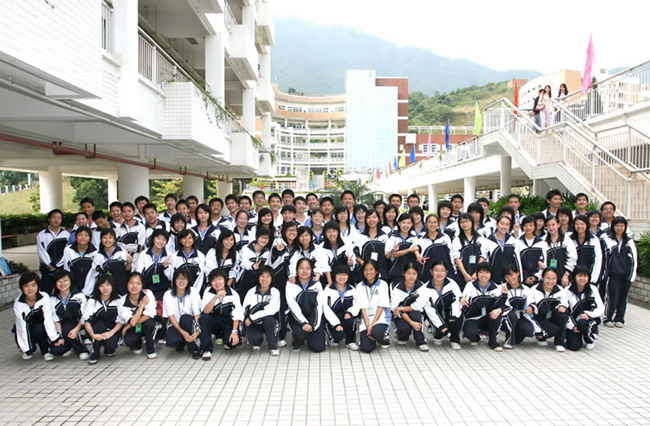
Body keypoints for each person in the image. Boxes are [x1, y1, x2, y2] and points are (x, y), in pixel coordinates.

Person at [286, 258, 340, 353]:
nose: (304, 271)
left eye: (308, 268)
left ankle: (314, 336)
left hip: (314, 317)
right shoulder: (291, 284)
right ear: (297, 270)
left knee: (318, 348)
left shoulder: (317, 284)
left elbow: (319, 306)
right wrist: (303, 323)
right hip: (297, 319)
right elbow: (292, 306)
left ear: (312, 270)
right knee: (300, 334)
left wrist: (312, 324)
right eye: (301, 268)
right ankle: (297, 342)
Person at [415, 260, 463, 350]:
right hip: (435, 315)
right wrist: (441, 325)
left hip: (450, 313)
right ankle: (438, 335)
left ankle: (454, 340)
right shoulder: (425, 289)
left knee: (458, 317)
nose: (439, 273)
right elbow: (429, 310)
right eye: (436, 270)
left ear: (446, 272)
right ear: (431, 271)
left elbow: (457, 299)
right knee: (440, 331)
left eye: (442, 270)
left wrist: (453, 315)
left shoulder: (452, 283)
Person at [13, 272, 61, 361]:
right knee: (17, 329)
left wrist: (55, 338)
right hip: (28, 326)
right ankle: (29, 348)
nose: (30, 289)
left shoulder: (44, 297)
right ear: (22, 287)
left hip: (41, 326)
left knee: (38, 328)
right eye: (26, 286)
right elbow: (21, 325)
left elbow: (48, 318)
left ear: (38, 285)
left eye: (33, 285)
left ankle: (45, 350)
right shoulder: (18, 303)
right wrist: (26, 348)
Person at [460, 262, 507, 351]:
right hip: (473, 318)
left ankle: (493, 341)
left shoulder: (497, 288)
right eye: (481, 272)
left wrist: (503, 300)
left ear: (491, 274)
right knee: (470, 333)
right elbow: (464, 299)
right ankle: (476, 337)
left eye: (487, 272)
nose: (484, 275)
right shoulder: (470, 285)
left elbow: (505, 306)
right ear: (477, 273)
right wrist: (462, 300)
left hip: (489, 317)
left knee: (497, 315)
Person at [198, 269, 244, 359]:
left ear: (224, 280)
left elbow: (237, 315)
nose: (217, 283)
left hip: (227, 322)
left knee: (232, 343)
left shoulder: (233, 294)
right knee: (204, 318)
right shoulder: (208, 291)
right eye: (214, 280)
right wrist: (216, 297)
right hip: (214, 321)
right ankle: (206, 349)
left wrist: (234, 332)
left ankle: (225, 338)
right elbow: (206, 311)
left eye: (220, 279)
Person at [601, 217, 637, 328]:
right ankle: (608, 318)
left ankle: (619, 318)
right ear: (613, 227)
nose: (619, 228)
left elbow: (634, 259)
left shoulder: (629, 242)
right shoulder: (608, 239)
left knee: (623, 297)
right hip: (613, 274)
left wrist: (631, 276)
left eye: (622, 225)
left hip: (626, 275)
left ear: (625, 227)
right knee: (612, 296)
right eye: (617, 225)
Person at [82, 275, 123, 365]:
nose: (105, 288)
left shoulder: (118, 299)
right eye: (102, 286)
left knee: (111, 344)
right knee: (99, 326)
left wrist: (110, 333)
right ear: (98, 287)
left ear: (112, 286)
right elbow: (86, 320)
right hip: (96, 330)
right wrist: (93, 335)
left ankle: (109, 349)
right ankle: (95, 353)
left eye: (108, 285)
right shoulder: (92, 300)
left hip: (113, 330)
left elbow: (121, 320)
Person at [49, 270, 90, 360]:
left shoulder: (79, 296)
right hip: (63, 328)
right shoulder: (53, 299)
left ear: (71, 281)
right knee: (56, 350)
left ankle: (82, 350)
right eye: (59, 281)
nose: (62, 284)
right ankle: (68, 344)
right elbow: (56, 320)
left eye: (65, 280)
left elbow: (84, 316)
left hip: (80, 325)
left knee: (68, 329)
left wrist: (76, 329)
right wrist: (59, 337)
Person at [527, 267, 569, 352]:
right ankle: (540, 336)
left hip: (553, 316)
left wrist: (562, 307)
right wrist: (531, 308)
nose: (550, 281)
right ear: (542, 277)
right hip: (540, 318)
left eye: (553, 279)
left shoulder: (560, 290)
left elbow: (565, 303)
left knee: (563, 316)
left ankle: (559, 343)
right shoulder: (534, 290)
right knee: (553, 330)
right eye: (548, 278)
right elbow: (530, 304)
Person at [118, 273, 160, 359]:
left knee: (149, 324)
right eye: (131, 283)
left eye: (138, 283)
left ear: (142, 285)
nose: (134, 286)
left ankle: (150, 348)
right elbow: (133, 322)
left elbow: (150, 314)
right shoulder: (122, 300)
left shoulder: (148, 293)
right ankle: (137, 345)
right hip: (135, 326)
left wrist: (129, 325)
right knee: (128, 340)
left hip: (147, 323)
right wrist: (142, 305)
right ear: (127, 284)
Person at [242, 266, 281, 355]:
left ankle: (273, 346)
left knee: (269, 320)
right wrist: (243, 333)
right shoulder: (251, 292)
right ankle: (256, 341)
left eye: (268, 277)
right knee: (253, 340)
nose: (264, 279)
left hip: (268, 321)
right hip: (254, 323)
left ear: (272, 278)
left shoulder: (275, 292)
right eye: (262, 276)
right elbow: (245, 310)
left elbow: (272, 310)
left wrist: (252, 318)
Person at [163, 268, 202, 358]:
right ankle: (181, 343)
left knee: (185, 318)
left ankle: (194, 348)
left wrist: (197, 331)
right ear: (174, 280)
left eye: (184, 279)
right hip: (175, 324)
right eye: (179, 278)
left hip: (189, 323)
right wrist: (182, 332)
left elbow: (197, 314)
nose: (181, 281)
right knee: (171, 341)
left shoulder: (193, 292)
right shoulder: (168, 294)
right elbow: (171, 317)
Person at [565, 265, 604, 351]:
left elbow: (600, 308)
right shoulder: (567, 291)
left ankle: (589, 338)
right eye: (579, 275)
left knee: (583, 323)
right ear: (574, 276)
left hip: (587, 319)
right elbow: (565, 312)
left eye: (585, 276)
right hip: (573, 321)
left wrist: (588, 314)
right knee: (574, 346)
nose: (582, 278)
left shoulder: (593, 289)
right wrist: (572, 326)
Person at [390, 263, 428, 351]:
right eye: (408, 273)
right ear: (403, 274)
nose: (411, 276)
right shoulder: (397, 288)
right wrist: (411, 323)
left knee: (416, 315)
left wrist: (401, 308)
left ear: (417, 274)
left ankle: (421, 341)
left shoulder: (422, 287)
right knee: (404, 328)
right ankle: (403, 336)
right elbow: (395, 308)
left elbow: (419, 306)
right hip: (402, 315)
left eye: (414, 274)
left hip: (416, 312)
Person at [85, 228, 132, 297]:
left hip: (122, 287)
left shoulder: (122, 252)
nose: (107, 240)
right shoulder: (98, 255)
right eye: (104, 238)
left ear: (114, 239)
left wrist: (129, 262)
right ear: (101, 239)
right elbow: (96, 275)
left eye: (110, 238)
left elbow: (128, 269)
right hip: (107, 290)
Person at [356, 260, 391, 353]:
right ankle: (371, 337)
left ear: (376, 271)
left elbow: (381, 307)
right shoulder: (359, 286)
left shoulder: (383, 284)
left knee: (376, 333)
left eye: (371, 269)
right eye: (366, 270)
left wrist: (372, 325)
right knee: (366, 348)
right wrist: (368, 326)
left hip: (380, 318)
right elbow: (362, 308)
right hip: (366, 319)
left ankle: (382, 335)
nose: (368, 272)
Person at [322, 265, 359, 350]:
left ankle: (350, 341)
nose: (342, 277)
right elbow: (326, 309)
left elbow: (357, 305)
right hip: (332, 320)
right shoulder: (328, 290)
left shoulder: (352, 289)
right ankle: (333, 337)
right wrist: (336, 324)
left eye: (344, 275)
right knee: (337, 337)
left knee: (350, 320)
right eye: (339, 274)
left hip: (346, 317)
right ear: (335, 275)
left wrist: (350, 312)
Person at [501, 265, 536, 348]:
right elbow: (501, 305)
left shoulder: (526, 289)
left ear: (518, 273)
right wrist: (504, 294)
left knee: (529, 330)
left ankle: (516, 337)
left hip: (521, 317)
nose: (510, 278)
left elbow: (532, 303)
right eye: (507, 277)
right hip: (506, 318)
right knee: (511, 315)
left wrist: (531, 308)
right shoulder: (501, 288)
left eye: (511, 275)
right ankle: (508, 341)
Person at [37, 209, 70, 294]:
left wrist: (58, 264)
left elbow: (67, 251)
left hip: (61, 269)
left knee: (61, 293)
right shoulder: (41, 235)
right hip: (47, 270)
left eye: (59, 218)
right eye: (54, 217)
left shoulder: (66, 234)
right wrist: (50, 264)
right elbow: (41, 251)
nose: (56, 220)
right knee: (45, 293)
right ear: (49, 219)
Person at [413, 214, 454, 283]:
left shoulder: (445, 237)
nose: (432, 225)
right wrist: (418, 257)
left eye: (435, 222)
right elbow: (415, 247)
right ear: (425, 224)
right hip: (427, 271)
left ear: (438, 224)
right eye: (429, 222)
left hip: (443, 270)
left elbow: (450, 254)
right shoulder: (421, 238)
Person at [539, 216, 577, 288]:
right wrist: (539, 262)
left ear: (559, 224)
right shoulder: (542, 241)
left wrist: (566, 274)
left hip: (563, 277)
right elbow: (539, 256)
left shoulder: (566, 240)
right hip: (548, 279)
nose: (551, 228)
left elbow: (572, 258)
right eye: (548, 225)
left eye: (553, 225)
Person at [165, 229, 206, 295]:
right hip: (178, 292)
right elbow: (172, 276)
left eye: (190, 238)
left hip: (195, 292)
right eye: (184, 238)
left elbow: (200, 278)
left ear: (194, 240)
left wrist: (194, 292)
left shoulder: (200, 256)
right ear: (180, 240)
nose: (187, 240)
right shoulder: (174, 257)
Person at [482, 215, 521, 285]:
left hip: (510, 281)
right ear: (496, 224)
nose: (504, 227)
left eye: (507, 225)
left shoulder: (512, 241)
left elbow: (518, 261)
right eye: (502, 224)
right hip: (493, 281)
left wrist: (519, 279)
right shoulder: (488, 241)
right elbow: (485, 261)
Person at [452, 213, 486, 290]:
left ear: (472, 222)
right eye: (462, 222)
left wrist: (476, 272)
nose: (465, 224)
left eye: (467, 221)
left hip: (478, 274)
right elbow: (456, 257)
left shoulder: (480, 238)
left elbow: (483, 255)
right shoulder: (457, 240)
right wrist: (465, 274)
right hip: (462, 274)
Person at [570, 215, 605, 290]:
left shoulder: (594, 240)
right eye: (577, 224)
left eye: (582, 224)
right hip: (573, 280)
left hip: (590, 279)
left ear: (587, 225)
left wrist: (593, 279)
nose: (579, 226)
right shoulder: (570, 240)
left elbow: (598, 260)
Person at [354, 209, 390, 282]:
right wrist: (363, 264)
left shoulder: (384, 236)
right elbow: (356, 254)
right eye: (368, 217)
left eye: (374, 217)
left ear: (378, 219)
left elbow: (387, 255)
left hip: (381, 271)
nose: (371, 220)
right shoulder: (361, 236)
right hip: (365, 272)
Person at [59, 226, 98, 291]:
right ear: (76, 236)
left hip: (90, 288)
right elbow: (67, 269)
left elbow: (96, 272)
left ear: (90, 238)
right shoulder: (68, 250)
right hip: (73, 288)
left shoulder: (96, 251)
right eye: (80, 235)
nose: (83, 237)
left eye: (86, 235)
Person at [237, 227, 272, 300]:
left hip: (258, 281)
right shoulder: (246, 248)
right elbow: (243, 263)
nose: (264, 240)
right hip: (245, 280)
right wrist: (252, 266)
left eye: (266, 238)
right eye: (262, 238)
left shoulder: (267, 252)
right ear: (257, 237)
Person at [385, 213, 418, 287]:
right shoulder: (393, 238)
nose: (406, 225)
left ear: (412, 224)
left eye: (408, 223)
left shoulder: (414, 238)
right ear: (399, 223)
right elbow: (388, 256)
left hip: (411, 274)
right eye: (403, 222)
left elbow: (416, 250)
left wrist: (419, 257)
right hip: (396, 274)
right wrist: (394, 251)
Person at [320, 221, 356, 287]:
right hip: (330, 278)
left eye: (334, 231)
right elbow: (324, 265)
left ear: (338, 232)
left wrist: (350, 263)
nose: (331, 234)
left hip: (346, 276)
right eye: (328, 232)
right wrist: (330, 283)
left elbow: (352, 258)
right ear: (325, 234)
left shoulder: (346, 242)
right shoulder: (321, 247)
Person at [515, 216, 545, 287]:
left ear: (535, 227)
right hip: (523, 281)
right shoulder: (517, 242)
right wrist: (524, 277)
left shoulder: (541, 243)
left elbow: (544, 261)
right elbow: (517, 262)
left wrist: (536, 276)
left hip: (538, 281)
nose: (528, 228)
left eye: (531, 225)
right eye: (525, 225)